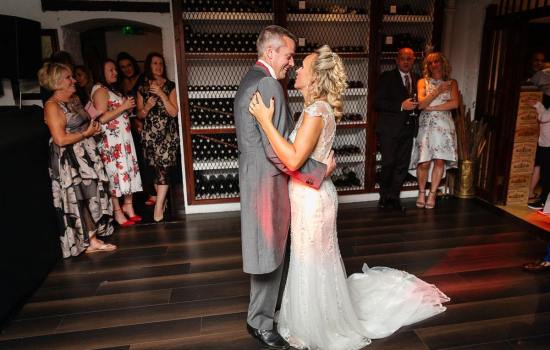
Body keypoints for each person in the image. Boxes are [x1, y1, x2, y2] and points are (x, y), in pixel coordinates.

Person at [249, 44, 449, 350]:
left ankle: (318, 323)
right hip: (310, 195)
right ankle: (309, 315)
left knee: (311, 261)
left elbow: (291, 160)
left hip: (313, 200)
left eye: (303, 66)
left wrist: (264, 121)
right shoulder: (314, 107)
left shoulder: (317, 110)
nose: (297, 69)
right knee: (309, 260)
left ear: (315, 77)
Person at [234, 25, 333, 350]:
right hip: (269, 183)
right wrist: (318, 172)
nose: (291, 62)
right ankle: (260, 323)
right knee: (268, 252)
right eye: (289, 55)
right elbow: (279, 153)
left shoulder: (250, 78)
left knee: (270, 249)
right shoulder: (267, 83)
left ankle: (268, 313)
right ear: (270, 53)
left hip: (256, 179)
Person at [38, 61, 115, 257]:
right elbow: (60, 139)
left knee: (91, 193)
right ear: (57, 83)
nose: (74, 80)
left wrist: (92, 130)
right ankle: (91, 241)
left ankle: (92, 237)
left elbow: (85, 123)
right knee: (78, 196)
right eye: (68, 78)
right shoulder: (52, 106)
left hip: (84, 154)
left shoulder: (73, 100)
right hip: (68, 158)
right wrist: (86, 134)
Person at [91, 59, 143, 227]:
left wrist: (127, 109)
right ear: (101, 72)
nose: (115, 72)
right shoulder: (100, 90)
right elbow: (102, 118)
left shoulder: (113, 89)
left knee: (127, 170)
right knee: (115, 175)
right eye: (111, 70)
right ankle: (117, 211)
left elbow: (117, 112)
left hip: (123, 139)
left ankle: (128, 206)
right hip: (111, 142)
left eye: (115, 69)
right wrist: (123, 107)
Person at [410, 52, 459, 209]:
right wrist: (437, 91)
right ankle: (421, 192)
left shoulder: (452, 83)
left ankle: (432, 194)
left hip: (444, 126)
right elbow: (421, 105)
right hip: (426, 125)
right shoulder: (422, 82)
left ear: (443, 63)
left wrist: (432, 107)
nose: (433, 65)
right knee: (424, 162)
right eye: (430, 63)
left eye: (436, 61)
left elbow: (454, 104)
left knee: (439, 160)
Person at [136, 52, 179, 222]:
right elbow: (139, 115)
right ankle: (163, 202)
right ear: (149, 66)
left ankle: (158, 207)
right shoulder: (142, 88)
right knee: (155, 171)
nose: (158, 66)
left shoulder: (170, 86)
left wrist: (162, 94)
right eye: (155, 63)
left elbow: (174, 112)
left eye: (161, 63)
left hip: (167, 135)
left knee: (163, 171)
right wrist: (146, 107)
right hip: (150, 136)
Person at [374, 47, 418, 211]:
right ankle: (384, 197)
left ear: (413, 61)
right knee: (388, 164)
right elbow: (377, 102)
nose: (406, 62)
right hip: (389, 130)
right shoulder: (387, 77)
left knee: (402, 166)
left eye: (410, 59)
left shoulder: (416, 78)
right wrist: (401, 105)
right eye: (403, 58)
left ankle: (394, 197)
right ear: (397, 60)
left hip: (408, 129)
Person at [116, 51, 156, 207]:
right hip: (126, 126)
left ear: (134, 64)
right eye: (123, 67)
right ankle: (142, 191)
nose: (127, 69)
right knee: (135, 159)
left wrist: (141, 118)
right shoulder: (118, 85)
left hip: (142, 122)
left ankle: (153, 192)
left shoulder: (143, 79)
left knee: (148, 158)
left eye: (129, 65)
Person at [526, 97, 550, 210]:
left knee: (547, 175)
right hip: (545, 144)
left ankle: (543, 202)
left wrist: (538, 105)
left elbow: (543, 117)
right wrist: (538, 105)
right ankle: (542, 200)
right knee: (544, 172)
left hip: (548, 146)